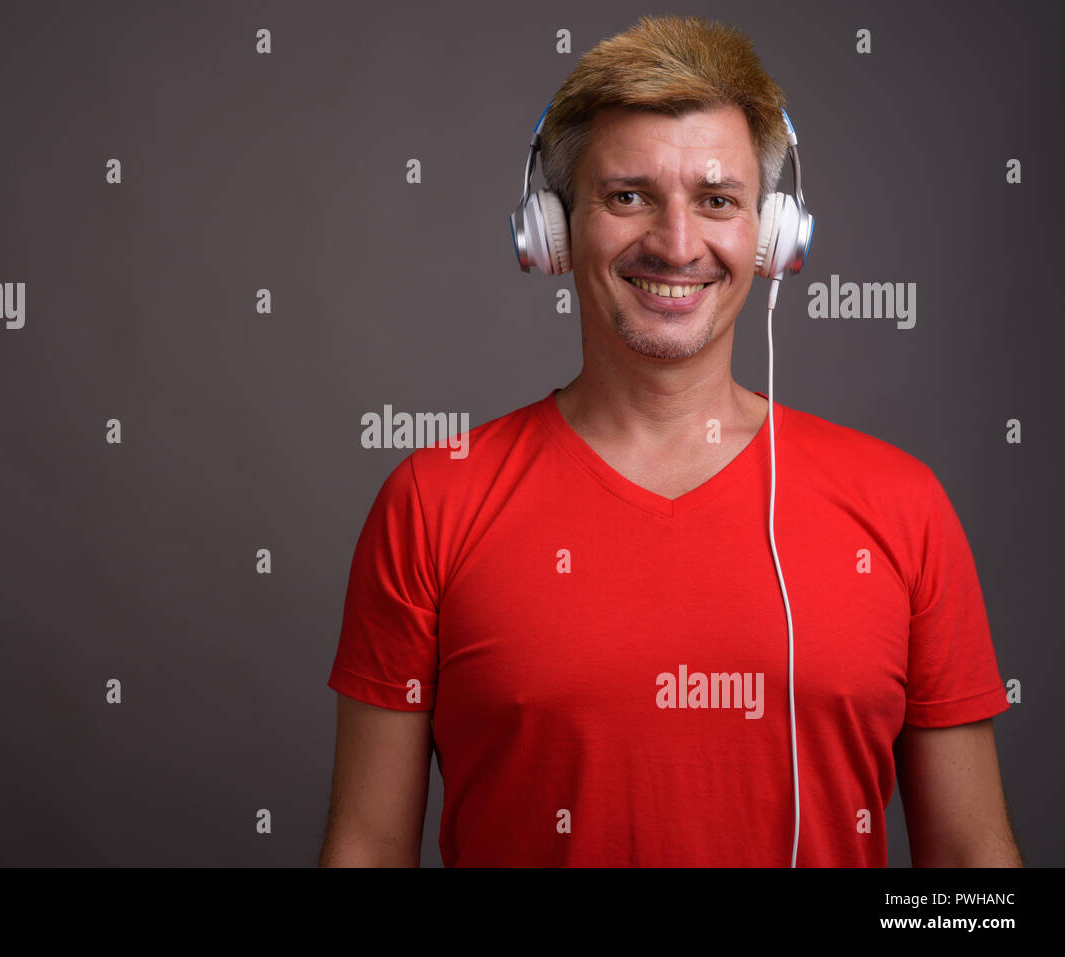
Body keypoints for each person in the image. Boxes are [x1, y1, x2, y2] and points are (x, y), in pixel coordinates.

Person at [318, 14, 1020, 867]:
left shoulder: (902, 505)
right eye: (629, 196)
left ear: (770, 236)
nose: (677, 244)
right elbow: (366, 849)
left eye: (717, 200)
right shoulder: (432, 502)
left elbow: (974, 872)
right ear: (552, 228)